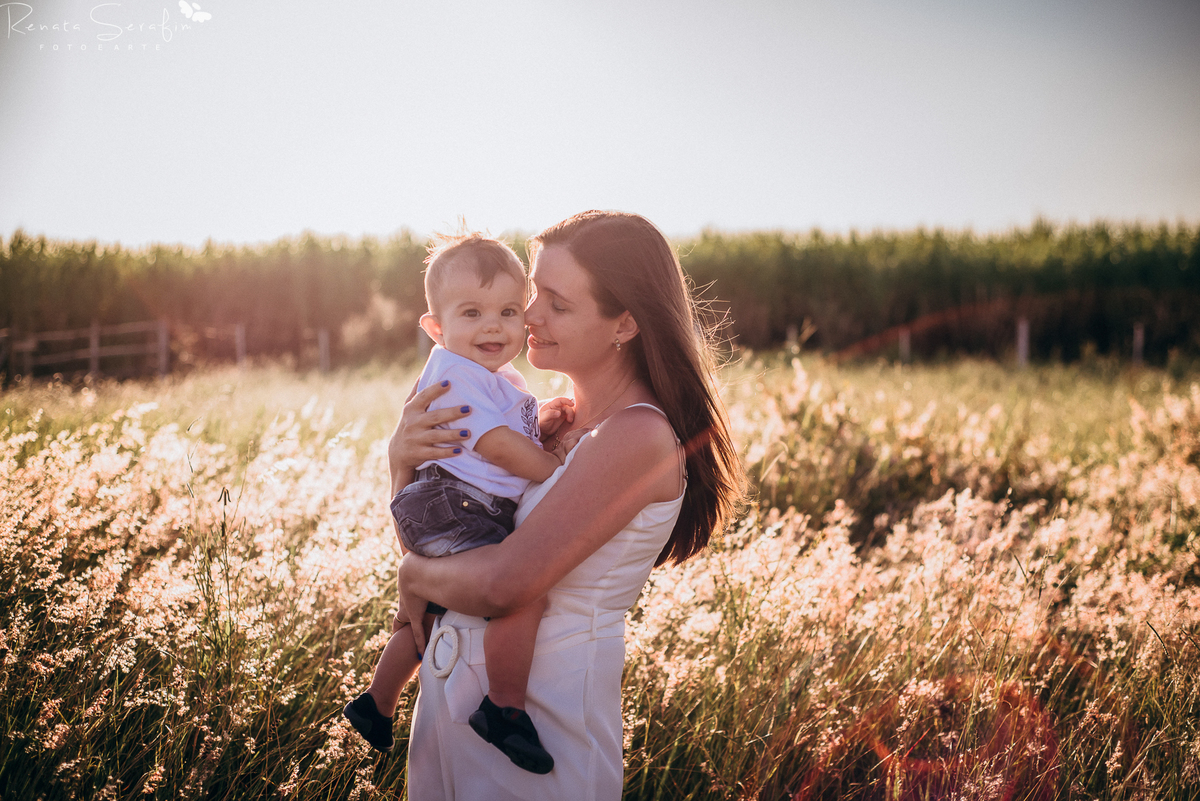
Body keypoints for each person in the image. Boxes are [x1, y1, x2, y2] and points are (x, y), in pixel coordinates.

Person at [386, 210, 745, 799]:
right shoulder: (545, 423)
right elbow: (442, 541)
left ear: (624, 323)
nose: (528, 315)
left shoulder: (637, 438)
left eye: (555, 301)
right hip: (449, 709)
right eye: (533, 291)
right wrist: (401, 461)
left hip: (539, 727)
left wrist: (412, 575)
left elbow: (503, 584)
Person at [344, 233, 578, 773]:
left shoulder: (493, 376)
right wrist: (554, 467)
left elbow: (497, 431)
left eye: (508, 310)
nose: (493, 326)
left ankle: (378, 701)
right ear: (436, 328)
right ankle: (504, 708)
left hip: (454, 501)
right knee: (521, 593)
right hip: (458, 505)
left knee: (434, 606)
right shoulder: (453, 371)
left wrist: (538, 422)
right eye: (472, 312)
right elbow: (495, 444)